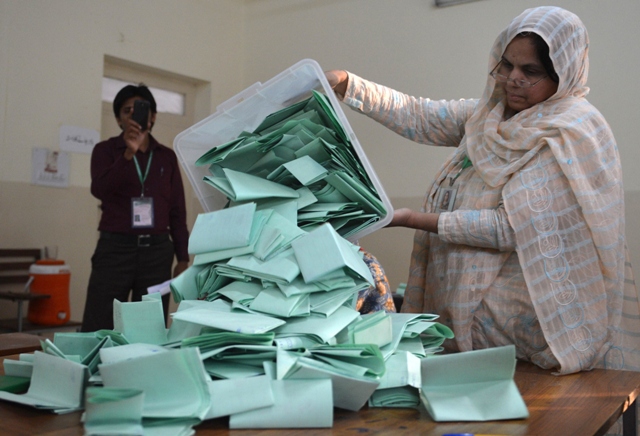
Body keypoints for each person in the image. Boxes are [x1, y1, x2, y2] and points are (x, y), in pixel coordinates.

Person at [326, 6, 640, 374]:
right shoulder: (491, 115)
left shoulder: (567, 133)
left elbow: (510, 227)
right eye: (507, 65)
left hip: (529, 328)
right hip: (471, 313)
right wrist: (348, 84)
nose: (512, 79)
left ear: (563, 74)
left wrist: (411, 218)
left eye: (531, 72)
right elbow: (420, 115)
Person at [81, 84, 190, 332]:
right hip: (114, 251)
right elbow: (100, 190)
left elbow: (177, 210)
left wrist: (182, 257)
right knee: (100, 323)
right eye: (127, 110)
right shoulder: (105, 151)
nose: (133, 115)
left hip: (157, 254)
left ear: (152, 117)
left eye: (140, 109)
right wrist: (127, 155)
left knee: (148, 328)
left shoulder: (166, 157)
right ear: (119, 119)